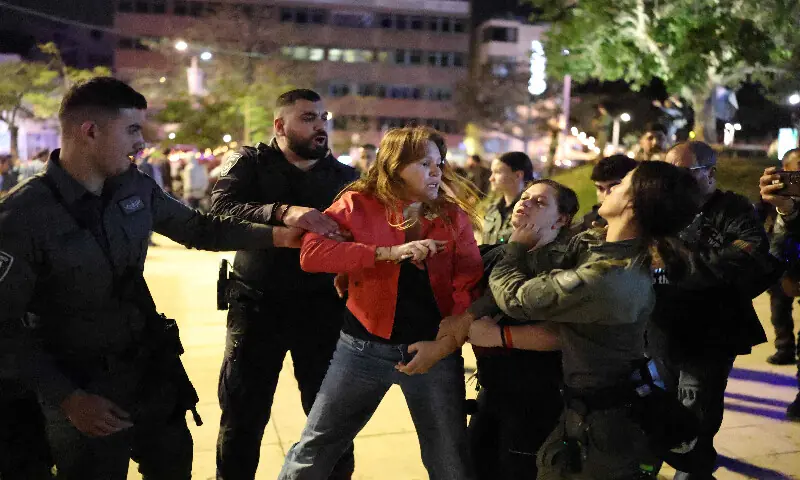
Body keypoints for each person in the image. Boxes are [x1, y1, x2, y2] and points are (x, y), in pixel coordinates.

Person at [0, 77, 305, 480]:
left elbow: (200, 229)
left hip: (150, 374)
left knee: (174, 466)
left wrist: (281, 234)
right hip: (84, 391)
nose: (140, 143)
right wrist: (69, 399)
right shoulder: (22, 215)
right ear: (89, 131)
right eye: (131, 130)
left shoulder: (135, 186)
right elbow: (4, 328)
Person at [278, 126, 484, 480]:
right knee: (314, 449)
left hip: (431, 352)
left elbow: (469, 280)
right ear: (395, 165)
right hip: (361, 348)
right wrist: (386, 253)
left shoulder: (451, 216)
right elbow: (312, 255)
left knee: (449, 459)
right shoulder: (358, 203)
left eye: (440, 163)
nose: (437, 172)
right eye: (424, 163)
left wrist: (446, 343)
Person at [489, 161, 702, 479]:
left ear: (630, 203)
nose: (610, 188)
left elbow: (517, 297)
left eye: (620, 184)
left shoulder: (607, 278)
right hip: (593, 413)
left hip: (603, 429)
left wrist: (515, 248)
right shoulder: (606, 248)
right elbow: (556, 255)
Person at [211, 89, 359, 480]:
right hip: (257, 307)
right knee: (243, 415)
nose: (321, 126)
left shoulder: (346, 178)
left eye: (323, 118)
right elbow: (220, 210)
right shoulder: (250, 164)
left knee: (331, 420)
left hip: (324, 312)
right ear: (280, 125)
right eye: (309, 118)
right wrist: (283, 212)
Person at [650, 142, 782, 479]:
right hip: (660, 329)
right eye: (670, 171)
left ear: (710, 173)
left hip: (708, 333)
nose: (674, 180)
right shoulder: (662, 209)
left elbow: (748, 254)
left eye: (685, 172)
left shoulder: (732, 209)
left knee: (696, 414)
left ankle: (696, 470)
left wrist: (676, 267)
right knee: (657, 408)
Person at [451, 179, 578, 480]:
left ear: (562, 219)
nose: (525, 203)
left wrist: (498, 337)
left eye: (540, 203)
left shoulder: (567, 264)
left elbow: (564, 334)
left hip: (536, 400)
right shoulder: (498, 253)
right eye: (525, 197)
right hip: (493, 392)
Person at [760, 161, 800, 419]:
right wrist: (784, 208)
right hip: (784, 264)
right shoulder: (775, 200)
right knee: (779, 309)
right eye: (792, 173)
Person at [765, 148, 800, 365]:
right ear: (785, 170)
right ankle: (784, 347)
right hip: (780, 261)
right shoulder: (773, 194)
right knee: (779, 307)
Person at [571, 154, 638, 234]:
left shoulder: (645, 223)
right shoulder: (590, 220)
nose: (606, 194)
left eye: (613, 186)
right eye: (600, 188)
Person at [482, 151, 535, 245]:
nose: (491, 178)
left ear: (518, 175)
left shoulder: (530, 211)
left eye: (497, 172)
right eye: (492, 172)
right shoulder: (492, 208)